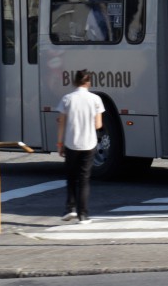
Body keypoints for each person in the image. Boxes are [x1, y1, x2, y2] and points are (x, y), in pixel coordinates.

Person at [56, 70, 104, 224]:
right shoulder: (96, 99)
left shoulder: (67, 99)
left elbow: (61, 123)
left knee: (71, 177)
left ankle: (70, 209)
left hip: (71, 143)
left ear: (74, 82)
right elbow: (98, 124)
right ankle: (83, 215)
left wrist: (60, 143)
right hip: (89, 143)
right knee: (84, 179)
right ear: (88, 82)